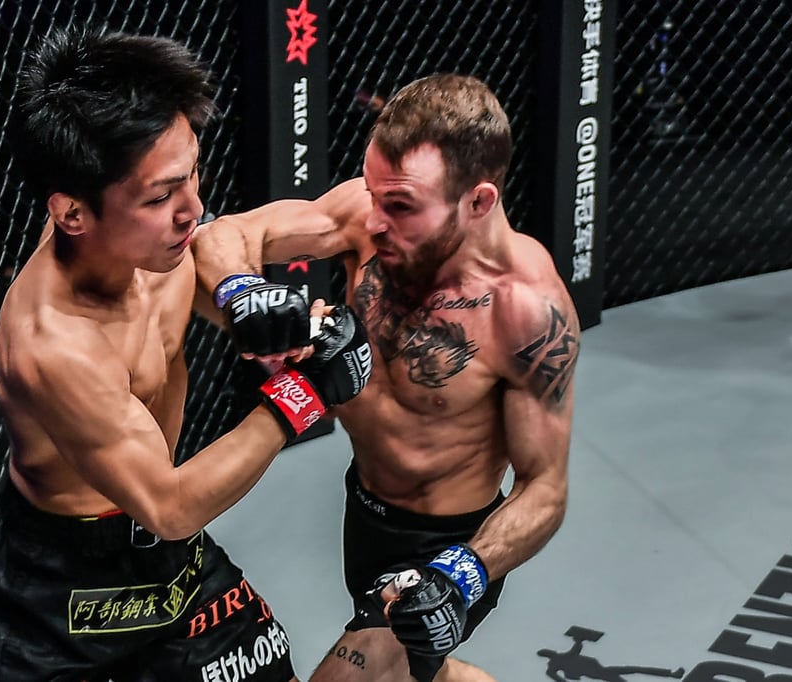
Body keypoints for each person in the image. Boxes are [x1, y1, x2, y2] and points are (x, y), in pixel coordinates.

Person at [0, 28, 372, 682]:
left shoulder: (148, 243)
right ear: (72, 215)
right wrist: (303, 394)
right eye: (160, 197)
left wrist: (254, 306)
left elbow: (223, 246)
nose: (192, 209)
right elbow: (171, 505)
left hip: (169, 565)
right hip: (62, 595)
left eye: (192, 174)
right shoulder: (55, 343)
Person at [192, 73, 580, 682]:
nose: (373, 221)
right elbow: (224, 234)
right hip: (365, 511)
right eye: (373, 194)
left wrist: (463, 575)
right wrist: (242, 292)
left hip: (443, 548)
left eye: (399, 206)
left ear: (478, 202)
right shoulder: (369, 216)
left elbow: (545, 489)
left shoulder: (526, 311)